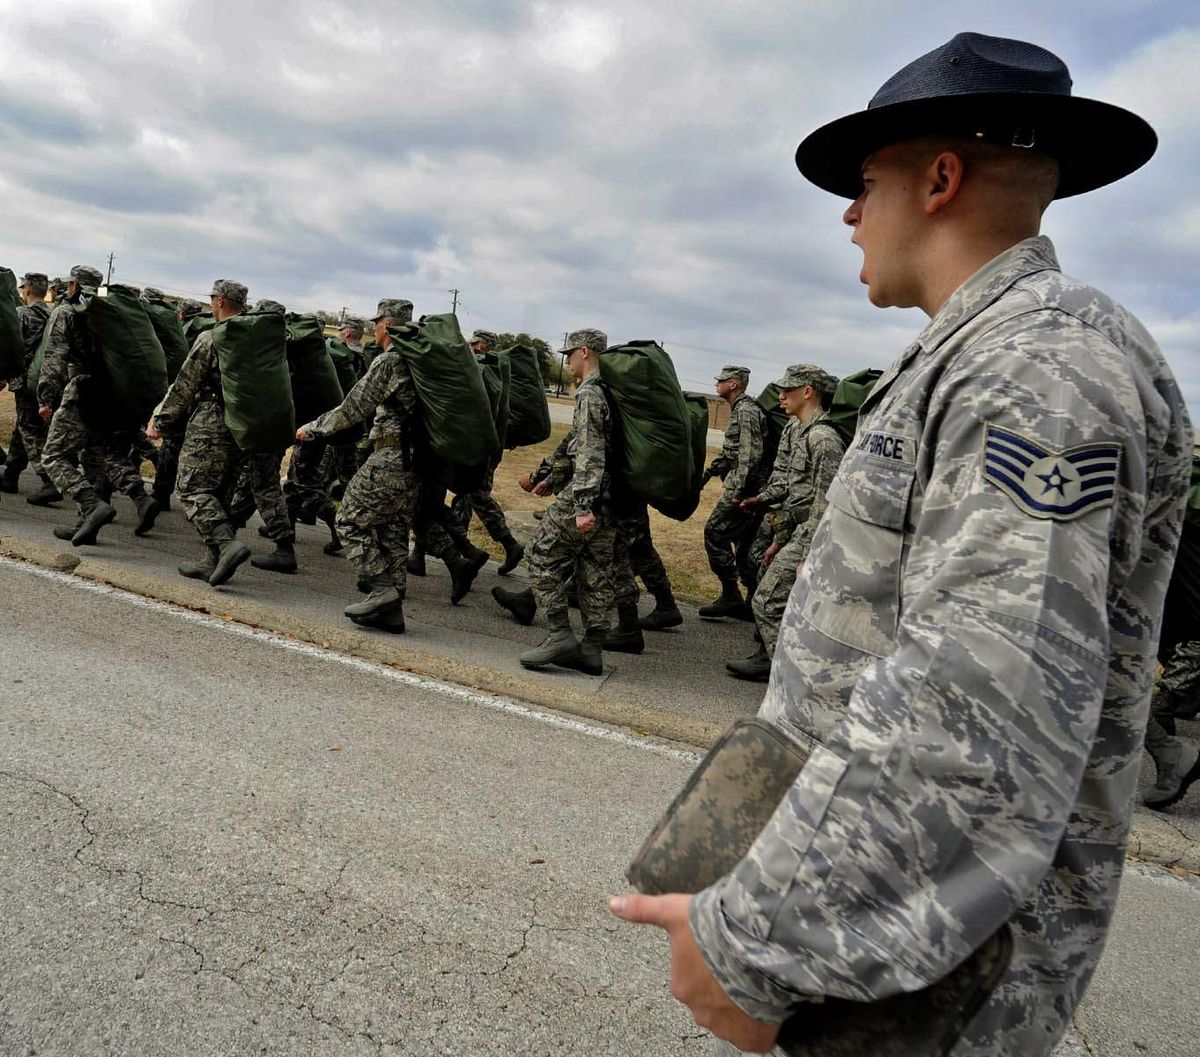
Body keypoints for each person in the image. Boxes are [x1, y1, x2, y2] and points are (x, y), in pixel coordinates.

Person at [610, 32, 1191, 1057]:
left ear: (940, 177)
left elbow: (975, 712)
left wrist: (759, 946)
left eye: (864, 181)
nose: (846, 211)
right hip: (892, 951)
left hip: (930, 972)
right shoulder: (978, 352)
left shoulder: (1037, 369)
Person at [492, 328, 615, 675]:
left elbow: (590, 451)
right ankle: (592, 650)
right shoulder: (610, 392)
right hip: (613, 498)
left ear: (586, 352)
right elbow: (578, 446)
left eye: (570, 353)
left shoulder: (590, 394)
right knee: (595, 571)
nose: (567, 360)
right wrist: (552, 478)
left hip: (590, 494)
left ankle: (559, 633)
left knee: (541, 554)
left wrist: (583, 506)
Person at [295, 299, 419, 633]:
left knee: (349, 519)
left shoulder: (390, 361)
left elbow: (352, 409)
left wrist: (312, 428)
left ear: (388, 326)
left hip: (391, 455)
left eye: (377, 322)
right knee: (392, 530)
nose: (374, 328)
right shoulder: (422, 360)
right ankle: (392, 613)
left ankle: (381, 588)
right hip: (417, 461)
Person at [726, 364, 845, 681]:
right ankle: (770, 656)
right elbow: (791, 487)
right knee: (765, 582)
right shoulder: (798, 430)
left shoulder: (823, 440)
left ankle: (789, 676)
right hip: (792, 528)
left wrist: (809, 555)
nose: (780, 396)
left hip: (810, 534)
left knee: (766, 601)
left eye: (788, 390)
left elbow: (826, 505)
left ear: (808, 392)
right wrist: (764, 503)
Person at [38, 267, 160, 546]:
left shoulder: (68, 310)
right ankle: (89, 524)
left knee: (53, 456)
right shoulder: (108, 309)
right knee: (95, 456)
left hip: (83, 390)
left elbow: (54, 358)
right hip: (114, 392)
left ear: (72, 285)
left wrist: (45, 398)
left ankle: (90, 504)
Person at [147, 279, 254, 586]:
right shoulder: (257, 342)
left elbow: (185, 385)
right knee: (221, 491)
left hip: (211, 421)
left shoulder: (212, 337)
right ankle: (212, 561)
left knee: (192, 488)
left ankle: (226, 545)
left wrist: (161, 421)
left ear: (220, 302)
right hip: (243, 426)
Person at [448, 329, 526, 575]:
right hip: (487, 448)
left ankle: (509, 544)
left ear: (484, 347)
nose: (471, 348)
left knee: (476, 495)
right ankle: (461, 552)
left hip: (481, 450)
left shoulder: (486, 372)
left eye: (475, 345)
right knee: (464, 498)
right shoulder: (497, 373)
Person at [699, 366, 769, 621]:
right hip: (749, 489)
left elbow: (751, 455)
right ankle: (752, 602)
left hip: (748, 490)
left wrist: (738, 492)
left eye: (722, 381)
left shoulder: (747, 410)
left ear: (735, 384)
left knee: (714, 532)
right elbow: (732, 452)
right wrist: (706, 475)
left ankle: (731, 595)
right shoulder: (739, 408)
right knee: (746, 547)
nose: (717, 384)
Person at [1, 272, 60, 505]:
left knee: (30, 431)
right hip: (46, 380)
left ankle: (49, 480)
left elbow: (14, 348)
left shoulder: (21, 314)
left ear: (25, 290)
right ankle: (11, 475)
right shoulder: (53, 314)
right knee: (23, 425)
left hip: (25, 380)